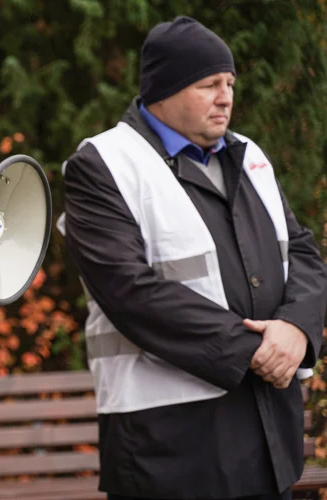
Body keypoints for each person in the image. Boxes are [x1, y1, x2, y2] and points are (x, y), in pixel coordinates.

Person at [62, 16, 327, 500]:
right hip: (171, 450)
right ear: (163, 91)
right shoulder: (103, 164)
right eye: (208, 84)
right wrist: (258, 352)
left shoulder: (249, 156)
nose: (225, 96)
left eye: (229, 83)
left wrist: (296, 330)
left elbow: (303, 251)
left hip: (269, 440)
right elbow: (128, 291)